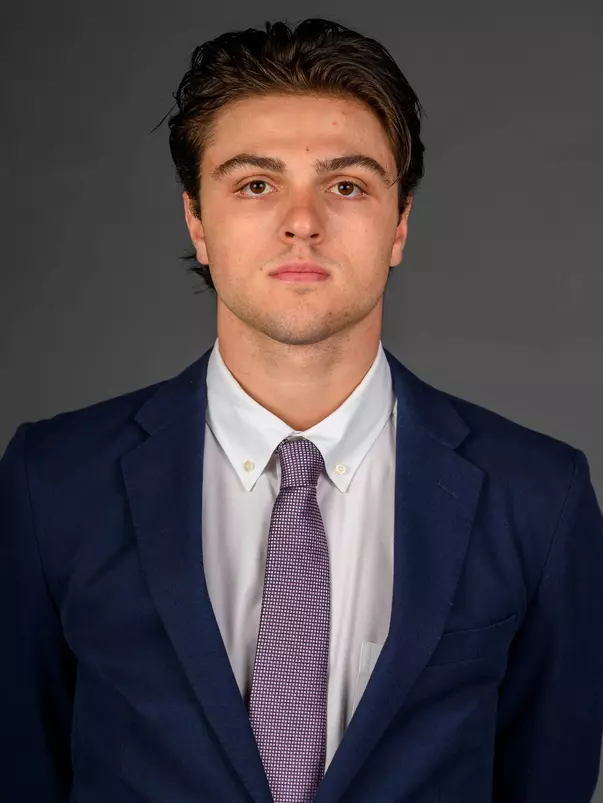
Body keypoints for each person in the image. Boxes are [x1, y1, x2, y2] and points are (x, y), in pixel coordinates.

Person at [1, 16, 602, 803]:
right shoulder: (52, 483)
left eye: (346, 184)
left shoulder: (538, 497)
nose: (302, 220)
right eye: (255, 183)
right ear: (196, 221)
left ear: (400, 223)